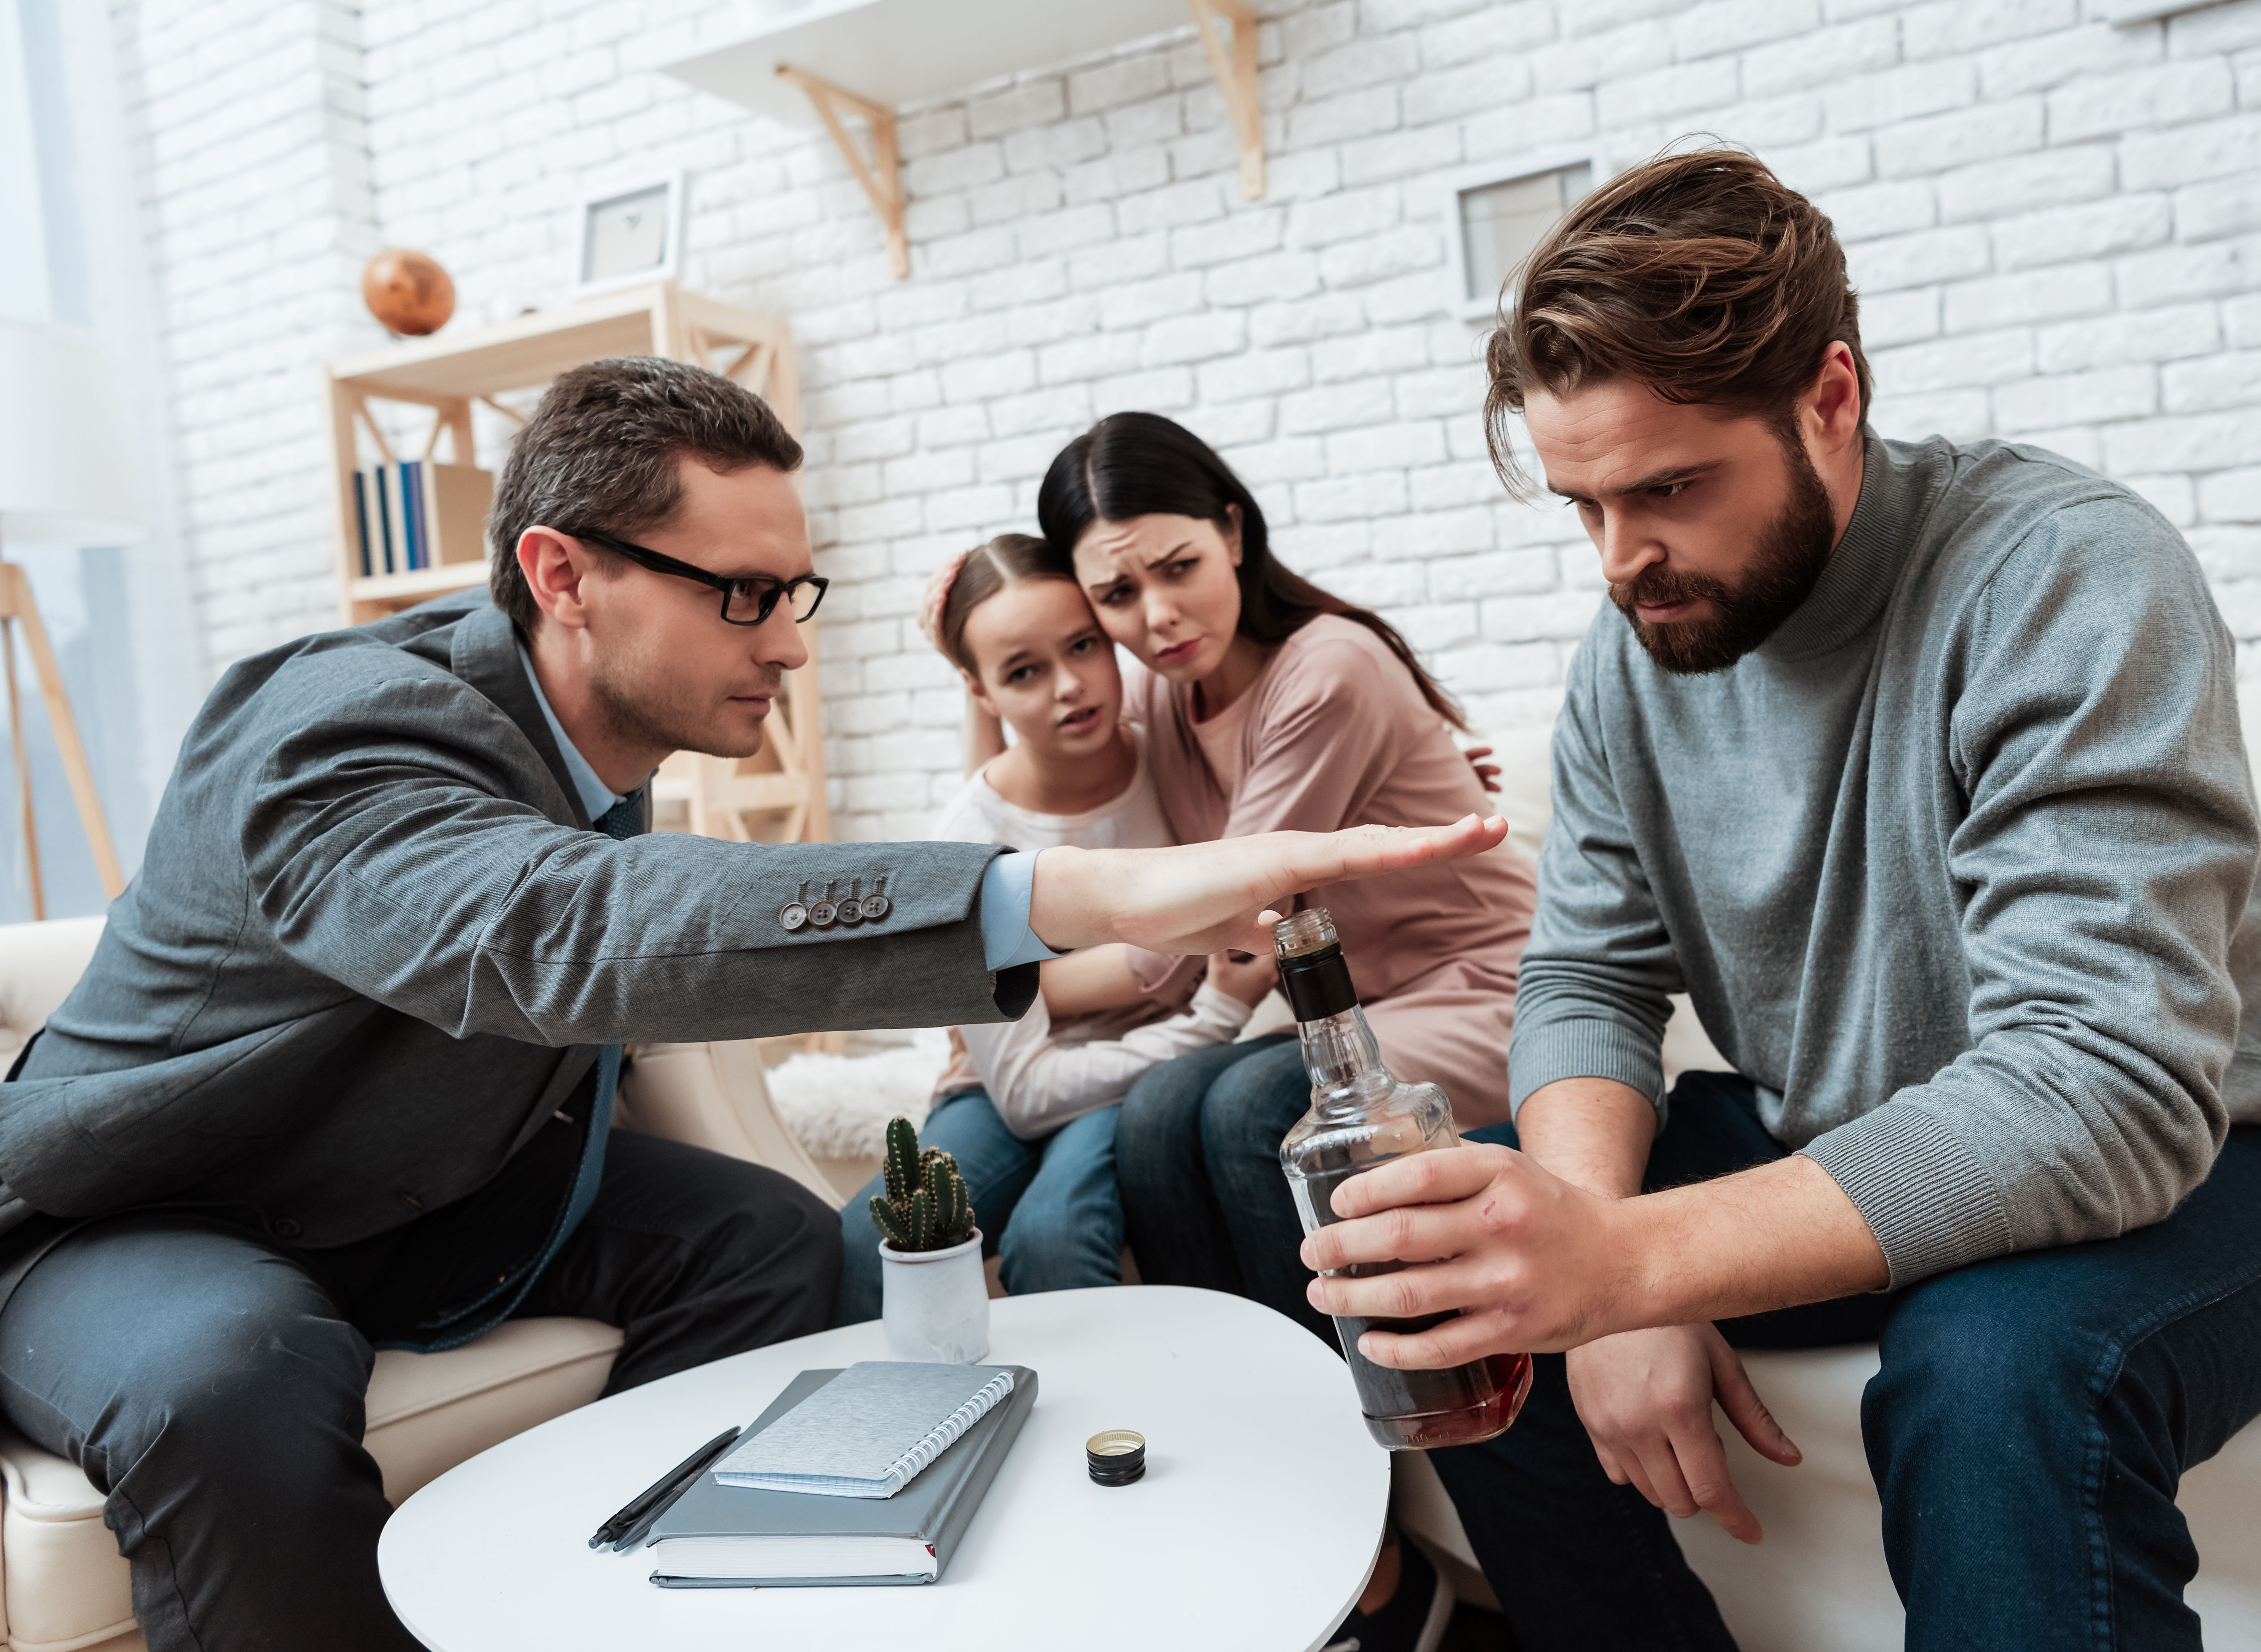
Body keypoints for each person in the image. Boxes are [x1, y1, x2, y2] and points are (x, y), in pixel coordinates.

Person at [0, 356, 1506, 1651]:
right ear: (559, 576)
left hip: (433, 1193)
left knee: (777, 1243)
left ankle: (673, 1611)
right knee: (227, 1383)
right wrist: (1079, 896)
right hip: (148, 1212)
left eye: (796, 590)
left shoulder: (605, 753)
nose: (789, 642)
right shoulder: (328, 730)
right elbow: (561, 926)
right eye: (743, 596)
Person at [1292, 150, 2261, 1652]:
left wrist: (1618, 1267)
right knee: (1444, 1250)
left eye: (1670, 489)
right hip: (1843, 1126)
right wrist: (1575, 1239)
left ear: (1831, 398)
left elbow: (2098, 1095)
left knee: (1991, 1368)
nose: (1622, 560)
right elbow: (1587, 982)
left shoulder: (2064, 574)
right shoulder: (1632, 651)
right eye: (1580, 507)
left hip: (2237, 1150)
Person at [1038, 412, 1537, 1652]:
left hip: (1486, 986)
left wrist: (1001, 983)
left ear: (1233, 531)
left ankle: (1366, 1471)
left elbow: (1188, 929)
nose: (1153, 615)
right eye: (1114, 592)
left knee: (1251, 1109)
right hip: (1352, 1020)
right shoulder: (1166, 693)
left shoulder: (1328, 667)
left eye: (1176, 568)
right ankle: (1304, 1518)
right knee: (1168, 1112)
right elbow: (1044, 785)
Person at [831, 533, 1279, 1321]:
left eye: (1083, 647)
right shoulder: (964, 842)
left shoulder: (1179, 763)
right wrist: (1211, 1014)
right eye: (1025, 672)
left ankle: (1124, 1444)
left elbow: (1299, 782)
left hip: (1143, 1079)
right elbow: (1028, 1093)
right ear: (979, 690)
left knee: (1056, 1235)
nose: (1072, 687)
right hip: (1009, 1084)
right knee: (870, 1250)